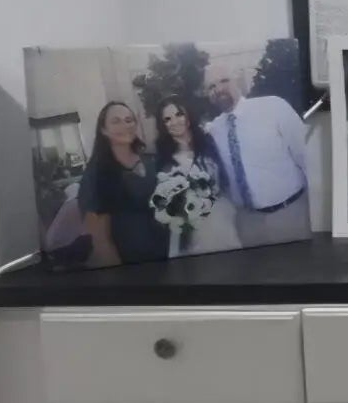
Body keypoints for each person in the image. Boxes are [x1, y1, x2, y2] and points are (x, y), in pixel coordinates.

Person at [203, 56, 310, 247]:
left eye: (224, 80)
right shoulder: (214, 130)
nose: (218, 89)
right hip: (247, 223)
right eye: (211, 86)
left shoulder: (273, 107)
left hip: (290, 215)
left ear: (237, 80)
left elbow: (307, 156)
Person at [153, 96, 242, 257]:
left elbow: (225, 177)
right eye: (167, 119)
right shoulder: (164, 158)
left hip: (222, 219)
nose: (174, 122)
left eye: (179, 114)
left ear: (188, 115)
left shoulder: (208, 142)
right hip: (190, 229)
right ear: (162, 125)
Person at [79, 102, 165, 266]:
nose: (125, 125)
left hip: (167, 251)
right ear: (103, 130)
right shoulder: (97, 174)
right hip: (132, 262)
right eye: (116, 121)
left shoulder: (151, 160)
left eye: (128, 120)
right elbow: (100, 240)